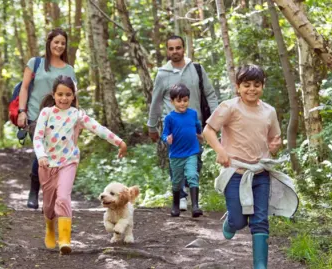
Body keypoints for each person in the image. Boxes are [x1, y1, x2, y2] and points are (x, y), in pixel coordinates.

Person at [202, 64, 298, 269]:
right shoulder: (229, 107)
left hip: (260, 174)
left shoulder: (269, 112)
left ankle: (260, 266)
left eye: (256, 85)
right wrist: (221, 151)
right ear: (238, 87)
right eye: (246, 85)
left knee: (260, 220)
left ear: (263, 86)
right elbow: (209, 131)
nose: (251, 89)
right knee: (239, 222)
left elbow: (274, 140)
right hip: (235, 172)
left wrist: (275, 147)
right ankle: (231, 221)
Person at [33, 75, 127, 255]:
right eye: (60, 94)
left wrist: (119, 142)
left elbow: (98, 128)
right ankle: (50, 229)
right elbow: (37, 137)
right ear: (54, 94)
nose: (64, 98)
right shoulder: (46, 113)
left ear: (73, 96)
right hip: (47, 164)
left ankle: (65, 240)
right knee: (48, 205)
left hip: (68, 162)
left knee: (63, 198)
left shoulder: (77, 115)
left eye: (68, 94)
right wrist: (41, 155)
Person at [147, 35, 218, 211]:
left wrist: (216, 118)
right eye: (171, 49)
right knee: (177, 161)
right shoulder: (162, 74)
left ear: (183, 48)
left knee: (195, 161)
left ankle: (190, 192)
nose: (175, 51)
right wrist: (152, 125)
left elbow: (209, 94)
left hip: (195, 125)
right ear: (167, 51)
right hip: (173, 126)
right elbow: (155, 101)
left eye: (178, 48)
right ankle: (182, 196)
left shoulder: (196, 69)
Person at [17, 28, 77, 209]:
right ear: (49, 42)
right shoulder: (35, 63)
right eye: (56, 42)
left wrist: (77, 122)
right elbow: (24, 88)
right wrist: (22, 111)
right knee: (42, 153)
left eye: (63, 43)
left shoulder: (69, 69)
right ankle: (34, 190)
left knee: (56, 155)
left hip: (61, 120)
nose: (59, 46)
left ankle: (49, 194)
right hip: (36, 116)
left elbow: (73, 96)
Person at [161, 84, 203, 218]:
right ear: (172, 101)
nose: (182, 104)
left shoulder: (192, 113)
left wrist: (199, 134)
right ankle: (175, 205)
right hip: (176, 155)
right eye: (179, 101)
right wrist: (167, 138)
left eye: (185, 100)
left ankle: (195, 206)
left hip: (191, 151)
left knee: (192, 175)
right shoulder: (170, 118)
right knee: (177, 180)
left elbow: (197, 125)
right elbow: (164, 134)